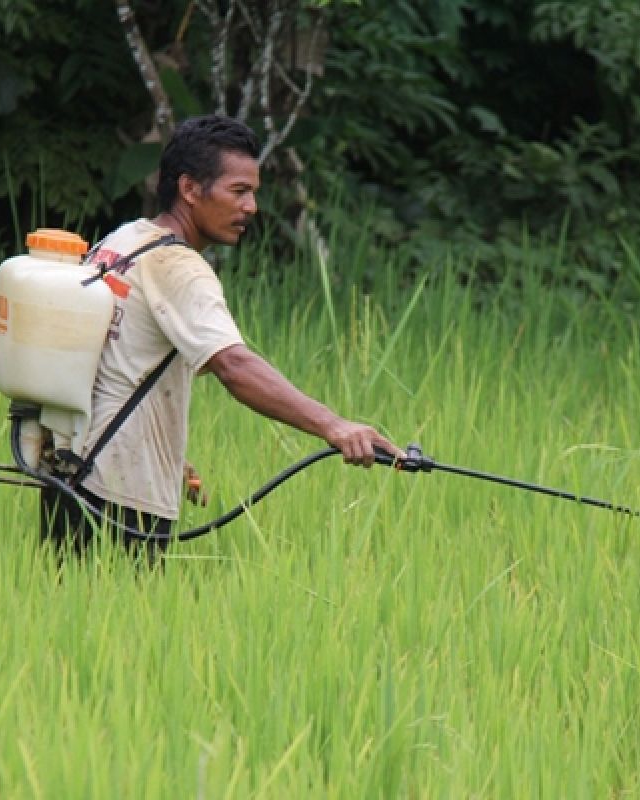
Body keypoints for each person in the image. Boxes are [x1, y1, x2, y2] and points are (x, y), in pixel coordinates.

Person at [40, 114, 403, 562]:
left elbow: (114, 361)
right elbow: (234, 366)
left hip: (65, 473)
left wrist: (163, 456)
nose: (251, 207)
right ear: (191, 189)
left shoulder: (122, 241)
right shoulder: (180, 268)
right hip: (120, 498)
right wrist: (336, 427)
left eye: (253, 192)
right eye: (239, 191)